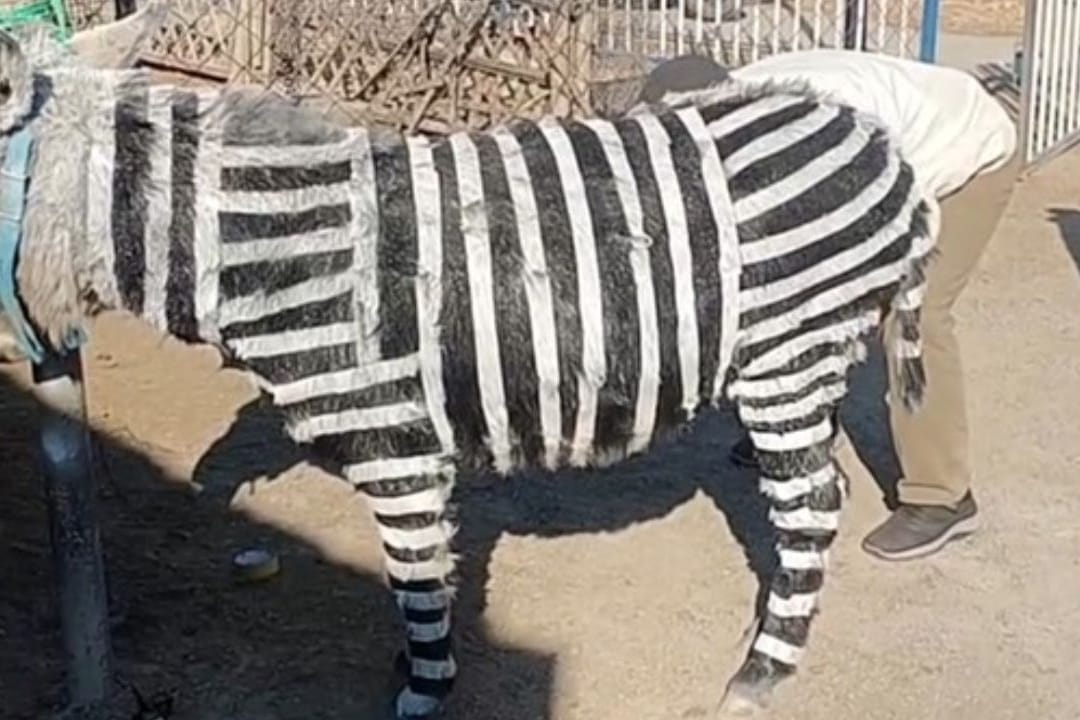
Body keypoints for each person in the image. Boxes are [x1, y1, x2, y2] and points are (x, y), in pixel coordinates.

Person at [638, 49, 1019, 562]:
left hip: (965, 152)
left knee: (914, 317)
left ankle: (942, 497)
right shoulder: (735, 116)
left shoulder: (825, 125)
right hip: (901, 132)